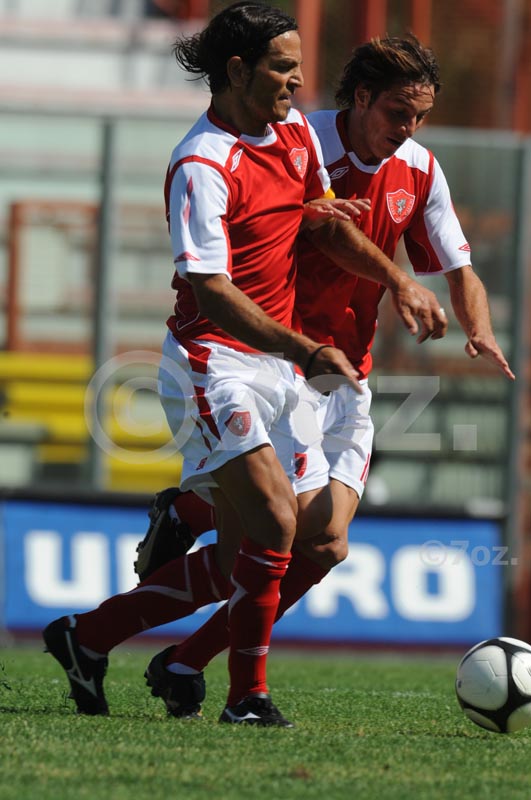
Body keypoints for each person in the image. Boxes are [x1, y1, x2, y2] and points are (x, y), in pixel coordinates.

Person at [42, 6, 445, 727]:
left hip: (279, 368)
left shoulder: (295, 136)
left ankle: (90, 634)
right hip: (212, 364)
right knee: (275, 524)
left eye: (297, 67)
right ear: (237, 71)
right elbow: (213, 293)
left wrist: (398, 281)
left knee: (278, 548)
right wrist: (303, 349)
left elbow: (323, 221)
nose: (296, 81)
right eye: (282, 67)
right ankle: (246, 698)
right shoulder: (201, 163)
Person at [133, 33, 514, 719]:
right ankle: (219, 677)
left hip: (346, 371)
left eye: (420, 116)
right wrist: (391, 276)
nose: (409, 129)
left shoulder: (419, 168)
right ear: (361, 97)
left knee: (325, 542)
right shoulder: (298, 139)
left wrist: (478, 328)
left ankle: (187, 550)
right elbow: (286, 229)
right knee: (281, 530)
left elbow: (459, 269)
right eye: (398, 112)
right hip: (282, 359)